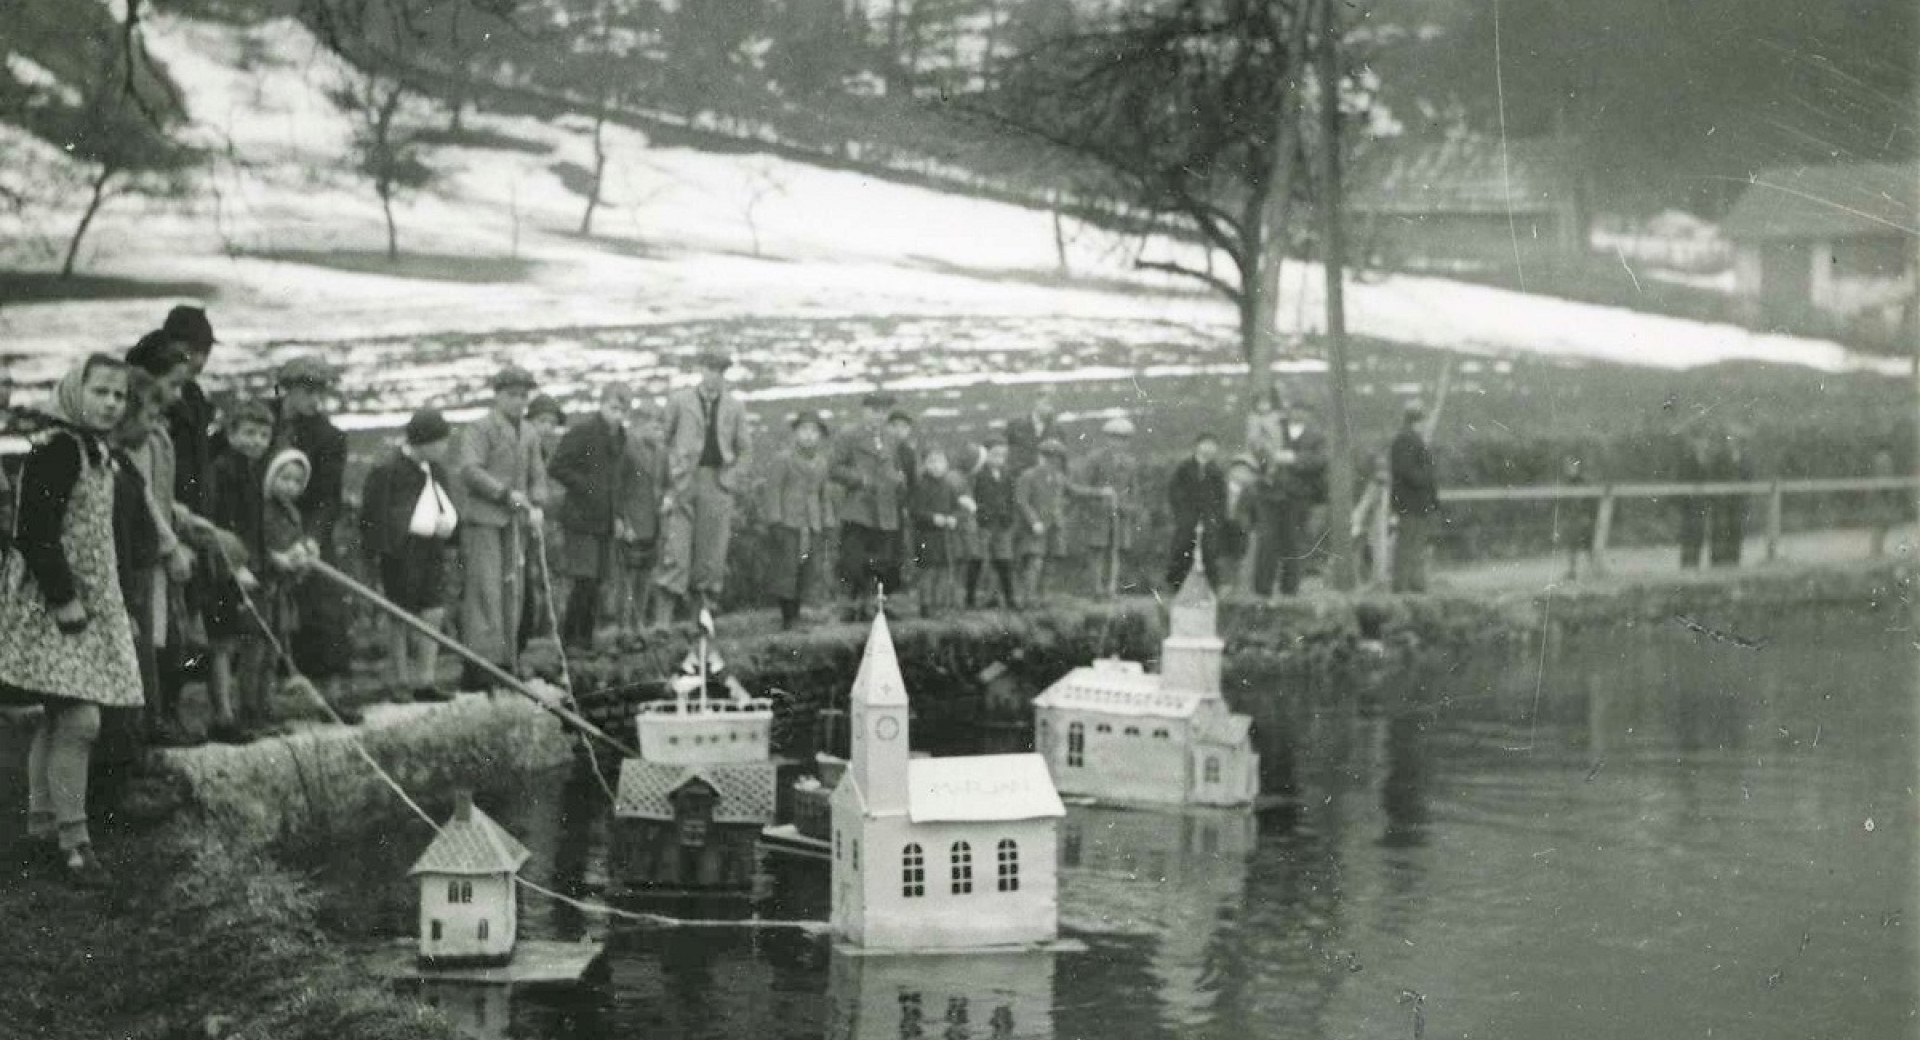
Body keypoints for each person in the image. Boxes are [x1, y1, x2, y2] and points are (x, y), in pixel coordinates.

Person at [0, 354, 141, 884]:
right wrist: (64, 599)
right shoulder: (59, 449)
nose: (110, 403)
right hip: (53, 606)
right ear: (73, 391)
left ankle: (43, 829)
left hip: (86, 603)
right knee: (81, 720)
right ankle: (75, 845)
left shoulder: (97, 453)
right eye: (100, 391)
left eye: (119, 395)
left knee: (59, 717)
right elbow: (34, 532)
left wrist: (112, 604)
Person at [114, 349, 197, 744]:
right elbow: (144, 496)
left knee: (164, 633)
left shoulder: (156, 432)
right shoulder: (134, 441)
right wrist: (171, 545)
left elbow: (160, 493)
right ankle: (152, 723)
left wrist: (185, 519)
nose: (178, 394)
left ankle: (161, 716)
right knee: (151, 637)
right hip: (148, 551)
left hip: (158, 542)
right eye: (174, 383)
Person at [359, 409, 460, 703]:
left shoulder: (436, 470)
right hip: (399, 552)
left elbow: (446, 503)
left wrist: (450, 532)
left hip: (431, 550)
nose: (444, 448)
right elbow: (372, 516)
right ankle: (399, 681)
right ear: (422, 441)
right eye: (440, 442)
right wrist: (375, 555)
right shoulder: (387, 469)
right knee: (399, 615)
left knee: (433, 610)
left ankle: (425, 680)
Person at [455, 366, 546, 686]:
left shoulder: (531, 433)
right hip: (484, 520)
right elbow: (470, 470)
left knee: (514, 591)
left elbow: (538, 475)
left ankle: (508, 661)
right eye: (512, 395)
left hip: (515, 524)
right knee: (485, 592)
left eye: (524, 396)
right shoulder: (479, 429)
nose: (519, 402)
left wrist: (536, 503)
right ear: (498, 395)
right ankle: (479, 668)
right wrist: (505, 494)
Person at [273, 358, 353, 699]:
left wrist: (313, 539)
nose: (314, 401)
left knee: (325, 608)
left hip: (307, 529)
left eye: (320, 393)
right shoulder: (263, 421)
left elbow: (328, 499)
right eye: (307, 392)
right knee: (272, 611)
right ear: (287, 390)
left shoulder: (329, 437)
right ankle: (276, 690)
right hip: (267, 526)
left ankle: (331, 694)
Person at [654, 350, 750, 624]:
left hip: (717, 483)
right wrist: (670, 477)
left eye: (720, 371)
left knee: (711, 555)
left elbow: (745, 450)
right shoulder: (680, 401)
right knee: (676, 549)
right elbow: (664, 439)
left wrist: (731, 478)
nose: (714, 376)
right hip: (684, 481)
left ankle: (701, 622)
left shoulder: (734, 407)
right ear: (700, 369)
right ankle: (663, 623)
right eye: (709, 369)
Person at [202, 400, 276, 741]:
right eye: (248, 433)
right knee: (222, 642)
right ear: (231, 434)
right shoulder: (222, 470)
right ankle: (224, 716)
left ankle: (250, 711)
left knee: (252, 639)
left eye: (263, 435)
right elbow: (219, 524)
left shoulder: (254, 472)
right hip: (225, 569)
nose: (256, 441)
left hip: (252, 568)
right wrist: (235, 566)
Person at [545, 385, 632, 651]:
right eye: (613, 408)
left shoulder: (620, 437)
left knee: (597, 582)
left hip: (604, 520)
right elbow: (556, 466)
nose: (617, 415)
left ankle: (586, 640)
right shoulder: (582, 432)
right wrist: (585, 486)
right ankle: (572, 641)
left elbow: (617, 481)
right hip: (580, 518)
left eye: (622, 410)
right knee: (583, 580)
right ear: (602, 404)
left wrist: (618, 516)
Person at [830, 391, 907, 617]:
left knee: (881, 560)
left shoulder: (892, 438)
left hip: (885, 509)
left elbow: (898, 467)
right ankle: (852, 604)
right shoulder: (849, 435)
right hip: (859, 507)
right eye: (874, 411)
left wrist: (897, 478)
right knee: (853, 559)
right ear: (864, 411)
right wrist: (858, 479)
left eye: (883, 412)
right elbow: (833, 468)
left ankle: (873, 604)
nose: (879, 416)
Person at [761, 412, 832, 630]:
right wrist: (775, 520)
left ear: (819, 436)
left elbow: (823, 494)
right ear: (795, 434)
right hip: (789, 522)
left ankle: (798, 613)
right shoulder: (784, 459)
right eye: (804, 431)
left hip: (811, 523)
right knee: (787, 570)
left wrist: (827, 519)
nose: (809, 436)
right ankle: (787, 617)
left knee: (807, 569)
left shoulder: (821, 462)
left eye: (814, 432)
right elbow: (772, 490)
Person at [1014, 438, 1089, 603]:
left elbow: (1074, 492)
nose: (1051, 461)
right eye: (1047, 457)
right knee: (1035, 561)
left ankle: (1043, 598)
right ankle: (1028, 599)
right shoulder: (1028, 476)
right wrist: (1033, 521)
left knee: (1050, 562)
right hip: (1035, 528)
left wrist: (1100, 492)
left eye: (1055, 458)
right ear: (1039, 456)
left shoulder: (1059, 477)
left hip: (1055, 527)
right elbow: (1021, 501)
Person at [615, 402, 668, 634]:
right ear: (641, 425)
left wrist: (668, 498)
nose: (660, 433)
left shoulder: (661, 451)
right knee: (626, 579)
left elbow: (667, 484)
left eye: (661, 428)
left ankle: (639, 627)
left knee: (645, 577)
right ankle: (623, 628)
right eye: (656, 427)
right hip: (632, 524)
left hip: (653, 524)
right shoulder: (626, 448)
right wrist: (623, 522)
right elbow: (617, 488)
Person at [1071, 417, 1136, 596]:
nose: (1119, 443)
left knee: (1115, 553)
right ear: (1107, 438)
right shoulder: (1094, 459)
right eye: (1114, 438)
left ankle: (1111, 589)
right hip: (1097, 514)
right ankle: (1097, 590)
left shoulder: (1130, 463)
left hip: (1120, 515)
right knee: (1097, 552)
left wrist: (1128, 508)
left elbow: (1134, 492)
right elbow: (1078, 488)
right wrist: (1100, 492)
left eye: (1124, 438)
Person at [1389, 402, 1441, 593]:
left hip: (1417, 503)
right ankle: (1402, 587)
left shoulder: (1412, 439)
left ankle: (1414, 586)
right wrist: (1428, 475)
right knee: (1408, 545)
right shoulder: (1406, 440)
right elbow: (1407, 471)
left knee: (1415, 545)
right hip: (1410, 502)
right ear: (1418, 421)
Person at [1166, 433, 1227, 591]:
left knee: (1209, 552)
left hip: (1208, 517)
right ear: (1197, 446)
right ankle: (1176, 587)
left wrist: (1216, 516)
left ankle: (1212, 589)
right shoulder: (1185, 468)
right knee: (1182, 548)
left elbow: (1222, 497)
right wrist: (1182, 511)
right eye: (1205, 444)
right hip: (1187, 516)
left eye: (1212, 445)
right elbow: (1174, 491)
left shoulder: (1217, 471)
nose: (1209, 448)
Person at [967, 435, 1020, 609]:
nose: (999, 459)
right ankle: (970, 599)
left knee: (1003, 561)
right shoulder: (978, 475)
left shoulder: (1007, 474)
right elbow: (973, 498)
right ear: (985, 455)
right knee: (978, 560)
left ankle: (1009, 599)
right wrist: (980, 515)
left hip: (1002, 524)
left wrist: (1009, 516)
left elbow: (1012, 498)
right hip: (984, 523)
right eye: (995, 455)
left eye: (1003, 456)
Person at [909, 449, 964, 617]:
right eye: (931, 462)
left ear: (946, 465)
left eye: (940, 462)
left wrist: (954, 518)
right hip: (926, 535)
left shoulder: (950, 485)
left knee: (943, 570)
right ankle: (925, 606)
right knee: (928, 570)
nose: (936, 466)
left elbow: (957, 508)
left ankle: (940, 604)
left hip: (944, 537)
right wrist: (933, 518)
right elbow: (915, 511)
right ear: (925, 465)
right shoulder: (920, 485)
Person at [1707, 427, 1751, 568]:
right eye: (1731, 439)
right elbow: (1713, 476)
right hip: (1722, 501)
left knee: (1736, 529)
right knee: (1720, 531)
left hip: (1737, 501)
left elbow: (1748, 477)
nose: (1733, 442)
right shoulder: (1719, 457)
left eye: (1736, 439)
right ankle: (1717, 563)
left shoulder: (1744, 457)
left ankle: (1734, 561)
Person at [888, 409, 920, 594]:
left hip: (899, 506)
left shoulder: (909, 452)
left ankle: (895, 587)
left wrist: (908, 505)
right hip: (878, 505)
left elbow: (913, 482)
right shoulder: (881, 448)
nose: (899, 430)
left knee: (898, 546)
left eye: (903, 427)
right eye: (894, 426)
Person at [1674, 433, 1713, 569]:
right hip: (1690, 505)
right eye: (1699, 442)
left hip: (1702, 504)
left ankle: (1696, 563)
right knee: (1689, 534)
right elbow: (1682, 480)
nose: (1702, 445)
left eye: (1704, 442)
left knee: (1699, 535)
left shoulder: (1707, 461)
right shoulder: (1687, 460)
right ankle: (1686, 564)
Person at [1006, 391, 1058, 479]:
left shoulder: (1056, 430)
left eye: (1052, 406)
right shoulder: (1015, 425)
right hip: (1017, 476)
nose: (1049, 408)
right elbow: (1004, 448)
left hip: (1043, 480)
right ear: (1036, 402)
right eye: (1046, 404)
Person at [1560, 456, 1596, 580]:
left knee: (1588, 546)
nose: (1571, 469)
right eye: (1568, 467)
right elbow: (1563, 503)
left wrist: (1587, 516)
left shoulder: (1584, 483)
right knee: (1571, 546)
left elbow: (1590, 502)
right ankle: (1571, 571)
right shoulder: (1564, 484)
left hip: (1583, 518)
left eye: (1573, 466)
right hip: (1570, 520)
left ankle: (1593, 570)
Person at [1244, 388, 1289, 464]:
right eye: (1261, 401)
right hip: (1256, 451)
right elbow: (1250, 438)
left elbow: (1280, 436)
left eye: (1266, 401)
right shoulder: (1252, 418)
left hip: (1274, 450)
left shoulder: (1278, 416)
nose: (1263, 405)